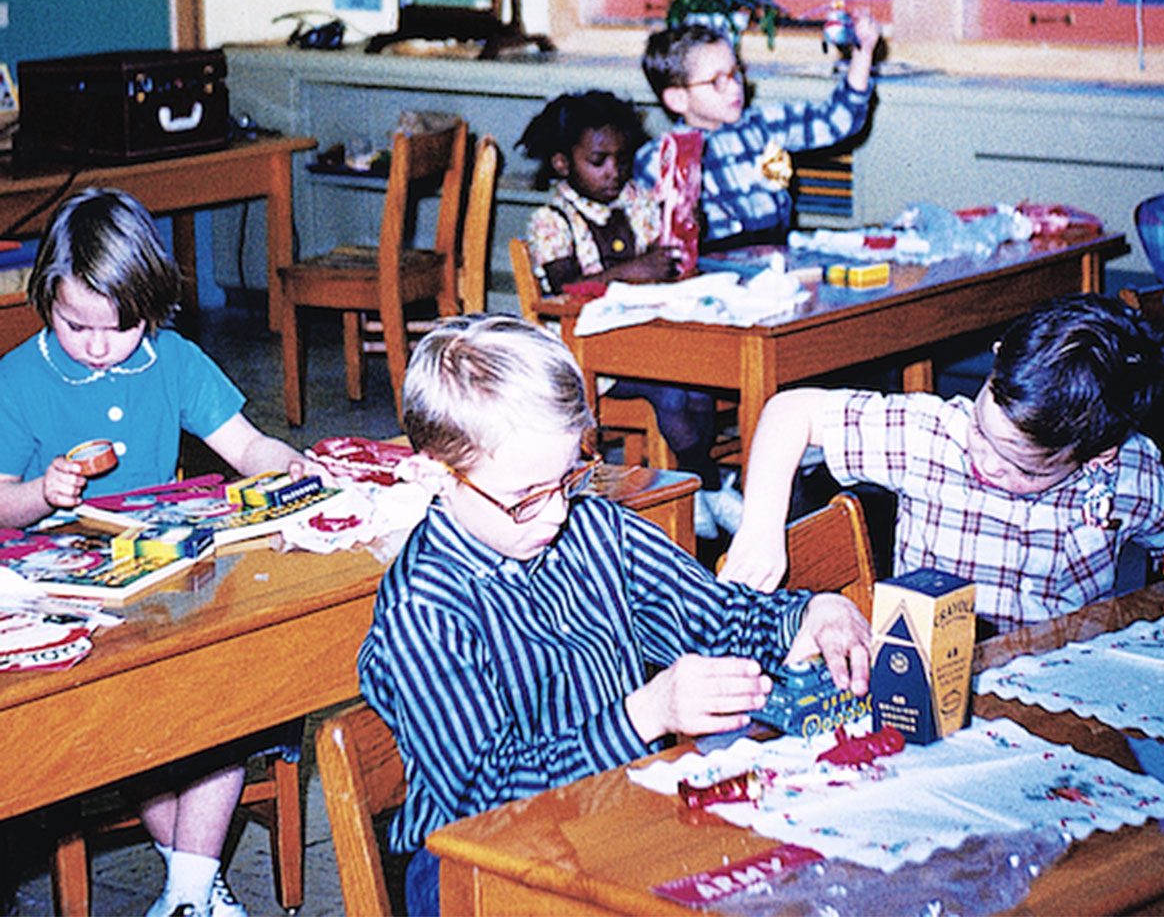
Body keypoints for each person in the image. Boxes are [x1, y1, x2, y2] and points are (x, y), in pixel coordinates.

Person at [358, 314, 870, 916]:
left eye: (568, 479)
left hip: (613, 818)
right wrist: (644, 713)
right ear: (433, 477)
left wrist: (811, 612)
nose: (554, 515)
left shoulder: (593, 526)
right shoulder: (424, 612)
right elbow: (484, 796)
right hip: (478, 867)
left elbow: (714, 616)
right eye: (526, 498)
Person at [0, 188, 306, 917]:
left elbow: (246, 445)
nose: (100, 346)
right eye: (77, 326)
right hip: (55, 590)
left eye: (122, 327)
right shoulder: (17, 377)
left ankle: (188, 894)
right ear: (46, 295)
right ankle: (197, 888)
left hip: (160, 577)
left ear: (152, 309)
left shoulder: (172, 359)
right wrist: (46, 491)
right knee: (133, 706)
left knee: (220, 690)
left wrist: (288, 465)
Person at [721, 293, 1164, 634]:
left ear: (1098, 453)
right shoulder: (931, 435)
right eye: (982, 430)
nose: (986, 463)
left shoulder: (1125, 476)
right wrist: (760, 526)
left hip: (1057, 680)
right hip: (929, 681)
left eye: (1021, 467)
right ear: (996, 364)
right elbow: (791, 412)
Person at [518, 90, 733, 534]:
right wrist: (635, 270)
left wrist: (682, 226)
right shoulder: (552, 219)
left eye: (621, 158)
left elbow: (665, 250)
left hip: (646, 339)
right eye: (598, 161)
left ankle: (697, 492)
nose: (613, 171)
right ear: (562, 163)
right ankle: (708, 485)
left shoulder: (634, 199)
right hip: (590, 358)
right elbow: (564, 286)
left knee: (699, 388)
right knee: (673, 394)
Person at [636, 14, 882, 250]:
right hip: (714, 267)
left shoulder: (764, 125)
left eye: (736, 73)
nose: (734, 87)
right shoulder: (659, 159)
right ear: (678, 99)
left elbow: (837, 121)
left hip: (775, 251)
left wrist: (863, 54)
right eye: (717, 81)